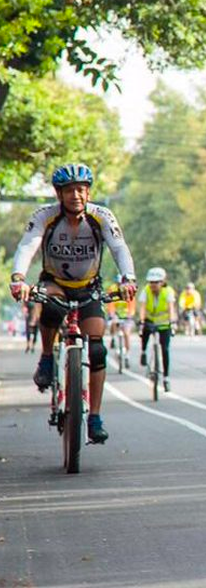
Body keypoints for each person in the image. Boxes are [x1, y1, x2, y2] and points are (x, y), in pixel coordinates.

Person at [9, 164, 137, 444]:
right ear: (59, 194)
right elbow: (28, 245)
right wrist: (18, 278)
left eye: (81, 189)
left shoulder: (101, 216)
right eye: (69, 191)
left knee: (99, 349)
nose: (76, 195)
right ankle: (45, 357)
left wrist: (129, 278)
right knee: (52, 307)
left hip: (88, 286)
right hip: (55, 282)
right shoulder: (45, 216)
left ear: (88, 191)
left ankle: (95, 417)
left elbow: (119, 247)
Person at [137, 267, 176, 391]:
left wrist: (173, 322)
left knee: (165, 349)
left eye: (156, 282)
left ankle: (166, 378)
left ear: (163, 282)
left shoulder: (168, 292)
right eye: (151, 282)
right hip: (149, 320)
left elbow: (171, 308)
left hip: (164, 323)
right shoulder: (145, 291)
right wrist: (142, 321)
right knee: (144, 334)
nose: (153, 285)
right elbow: (142, 307)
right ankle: (143, 351)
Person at [104, 277, 134, 369]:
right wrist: (112, 315)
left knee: (127, 333)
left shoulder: (130, 290)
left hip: (126, 316)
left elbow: (131, 306)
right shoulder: (112, 289)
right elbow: (110, 305)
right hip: (115, 314)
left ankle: (127, 355)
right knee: (113, 323)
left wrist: (129, 314)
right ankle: (113, 337)